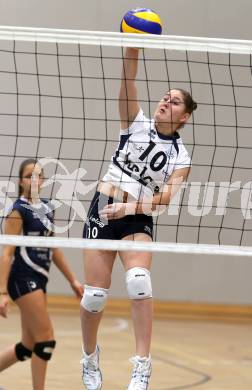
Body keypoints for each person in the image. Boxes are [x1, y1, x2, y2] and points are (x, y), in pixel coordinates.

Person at [80, 47, 197, 390]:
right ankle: (89, 358)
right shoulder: (135, 123)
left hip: (137, 216)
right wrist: (133, 45)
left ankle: (142, 366)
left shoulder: (181, 156)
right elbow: (127, 78)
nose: (166, 101)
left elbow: (163, 200)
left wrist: (130, 209)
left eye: (175, 101)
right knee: (94, 297)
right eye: (165, 97)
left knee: (139, 282)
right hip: (104, 207)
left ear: (185, 116)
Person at [0, 158, 83, 390]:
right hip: (23, 278)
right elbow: (6, 253)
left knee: (28, 346)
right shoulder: (18, 211)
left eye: (39, 175)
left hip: (38, 279)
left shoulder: (47, 207)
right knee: (46, 340)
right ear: (20, 181)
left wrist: (73, 281)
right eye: (29, 176)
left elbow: (53, 248)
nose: (34, 180)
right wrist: (2, 292)